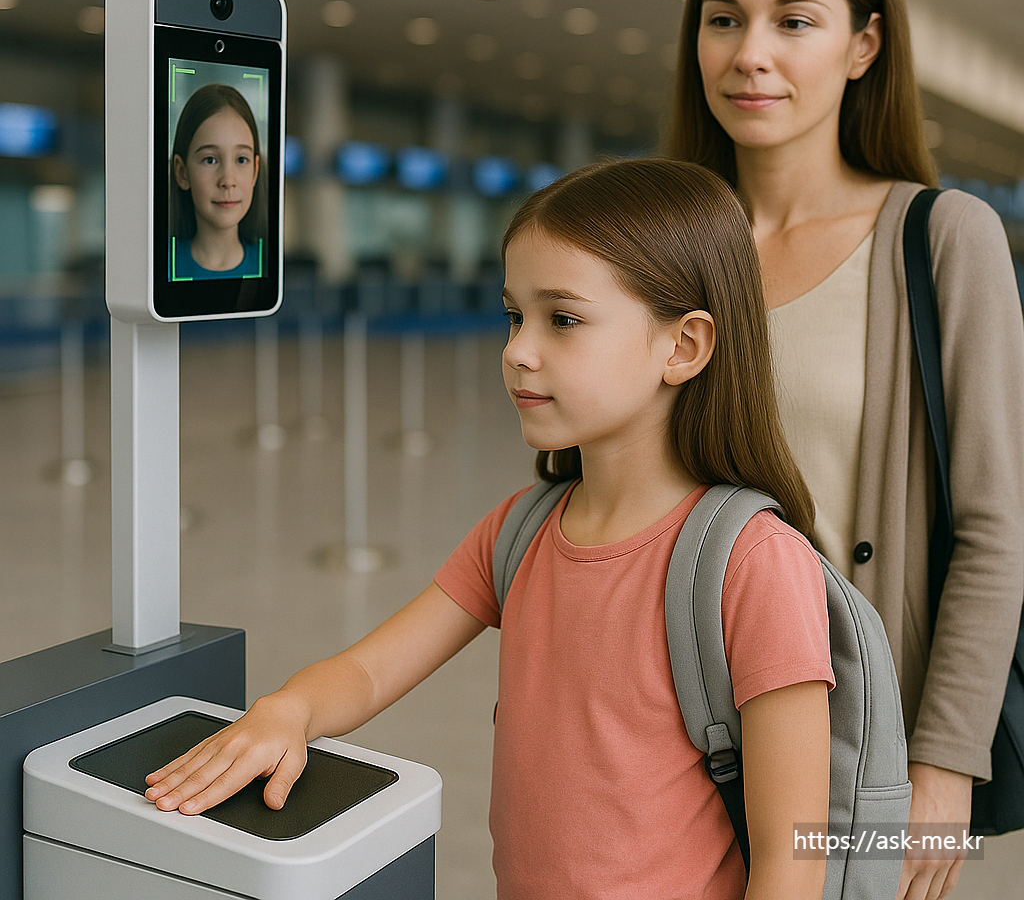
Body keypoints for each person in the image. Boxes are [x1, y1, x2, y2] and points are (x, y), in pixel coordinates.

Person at [146, 158, 835, 900]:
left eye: (562, 319)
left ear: (684, 347)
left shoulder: (754, 564)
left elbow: (793, 860)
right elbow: (374, 669)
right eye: (515, 315)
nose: (517, 350)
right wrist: (291, 709)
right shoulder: (521, 532)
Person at [666, 0, 1024, 900]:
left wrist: (944, 763)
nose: (750, 55)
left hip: (854, 747)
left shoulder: (942, 238)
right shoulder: (666, 249)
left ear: (862, 46)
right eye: (723, 18)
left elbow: (996, 524)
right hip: (679, 718)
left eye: (794, 21)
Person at [169, 83, 267, 280]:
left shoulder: (270, 269)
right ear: (182, 172)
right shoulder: (161, 270)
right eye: (210, 160)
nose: (228, 181)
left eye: (241, 160)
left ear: (255, 171)